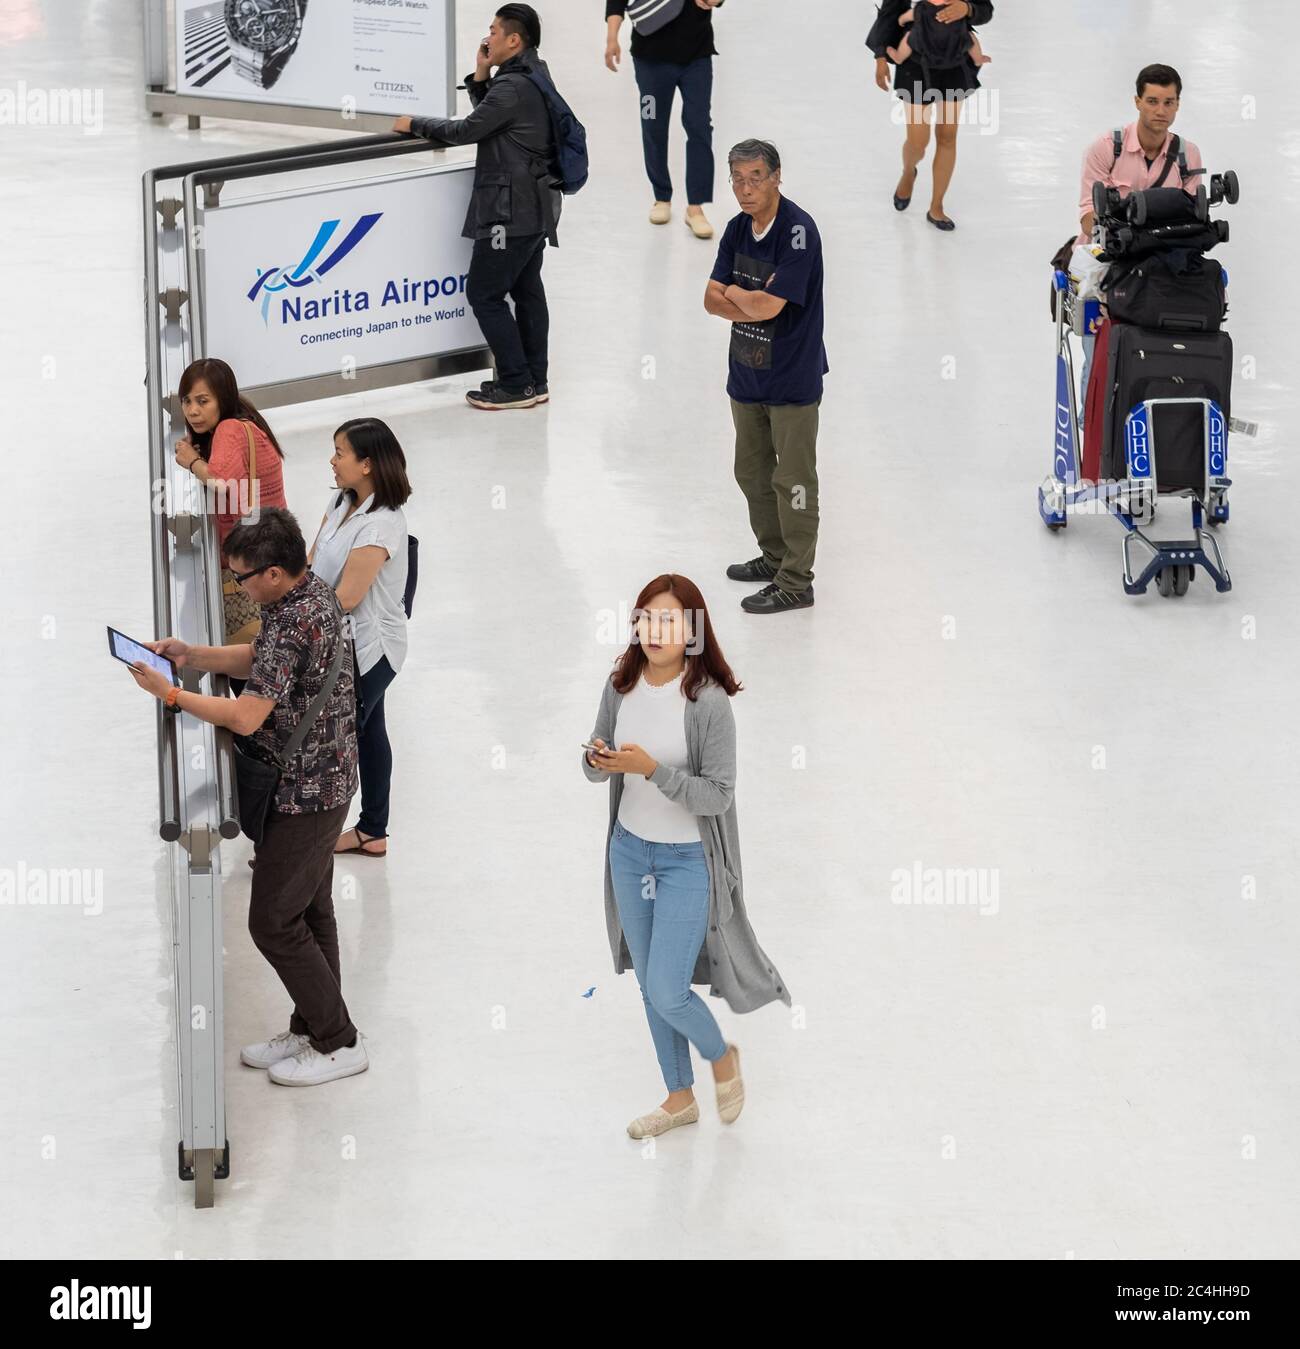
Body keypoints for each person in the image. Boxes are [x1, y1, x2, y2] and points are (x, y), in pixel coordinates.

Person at [127, 508, 368, 1089]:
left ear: (278, 573)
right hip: (327, 776)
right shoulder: (308, 599)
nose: (238, 586)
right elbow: (263, 665)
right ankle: (313, 1026)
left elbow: (244, 713)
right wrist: (192, 656)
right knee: (311, 912)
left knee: (273, 922)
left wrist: (173, 695)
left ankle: (340, 1042)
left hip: (307, 792)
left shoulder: (289, 619)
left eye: (244, 577)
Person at [582, 573, 791, 1139]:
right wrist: (599, 760)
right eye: (645, 618)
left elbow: (718, 795)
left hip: (686, 861)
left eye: (669, 620)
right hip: (629, 854)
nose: (655, 630)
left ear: (693, 631)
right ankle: (679, 1098)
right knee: (650, 984)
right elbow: (593, 756)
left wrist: (652, 770)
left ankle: (721, 1057)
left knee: (670, 988)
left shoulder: (707, 704)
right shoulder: (620, 685)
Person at [393, 5, 561, 412]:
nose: (487, 38)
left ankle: (516, 383)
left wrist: (413, 123)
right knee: (526, 291)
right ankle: (534, 380)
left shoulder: (514, 87)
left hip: (508, 211)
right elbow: (495, 119)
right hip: (536, 206)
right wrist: (482, 74)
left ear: (513, 40)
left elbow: (467, 130)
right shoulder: (533, 75)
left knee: (484, 294)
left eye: (492, 32)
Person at [704, 139, 826, 615]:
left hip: (791, 377)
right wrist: (745, 298)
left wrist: (737, 295)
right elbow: (710, 300)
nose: (746, 188)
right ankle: (775, 558)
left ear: (777, 176)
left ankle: (796, 581)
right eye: (737, 178)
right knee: (752, 473)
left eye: (756, 177)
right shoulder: (736, 229)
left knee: (793, 481)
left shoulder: (798, 232)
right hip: (746, 372)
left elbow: (770, 305)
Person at [307, 418, 411, 859]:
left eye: (340, 453)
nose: (332, 461)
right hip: (339, 641)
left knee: (340, 734)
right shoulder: (341, 499)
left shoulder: (382, 525)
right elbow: (313, 560)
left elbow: (346, 598)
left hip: (370, 650)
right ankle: (373, 831)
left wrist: (296, 621)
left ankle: (318, 833)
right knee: (370, 733)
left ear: (366, 464)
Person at [1074, 63, 1204, 416]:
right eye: (1152, 101)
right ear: (1137, 101)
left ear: (1178, 105)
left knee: (1159, 352)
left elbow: (1193, 217)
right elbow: (1088, 216)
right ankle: (1096, 433)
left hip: (1159, 267)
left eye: (1169, 102)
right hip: (1107, 268)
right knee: (1100, 355)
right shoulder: (1106, 149)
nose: (1161, 111)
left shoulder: (1187, 155)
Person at [173, 358, 287, 689]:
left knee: (251, 679)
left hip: (251, 572)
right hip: (271, 557)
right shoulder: (247, 422)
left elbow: (222, 480)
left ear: (223, 399)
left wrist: (191, 461)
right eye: (187, 401)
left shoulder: (230, 429)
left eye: (202, 401)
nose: (192, 410)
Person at [868, 0, 996, 230]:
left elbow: (985, 9)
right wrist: (880, 56)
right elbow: (891, 12)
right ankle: (909, 171)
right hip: (915, 62)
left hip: (955, 57)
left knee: (947, 136)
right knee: (918, 141)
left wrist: (968, 9)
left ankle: (936, 207)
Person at [604, 0, 726, 240]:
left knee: (699, 125)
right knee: (652, 125)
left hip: (697, 56)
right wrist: (611, 38)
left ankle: (696, 207)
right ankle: (661, 197)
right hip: (649, 59)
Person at [887, 5, 989, 68]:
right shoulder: (955, 8)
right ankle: (977, 58)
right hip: (951, 42)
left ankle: (899, 57)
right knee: (970, 36)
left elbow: (907, 17)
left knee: (909, 35)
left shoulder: (921, 8)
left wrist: (901, 20)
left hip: (926, 43)